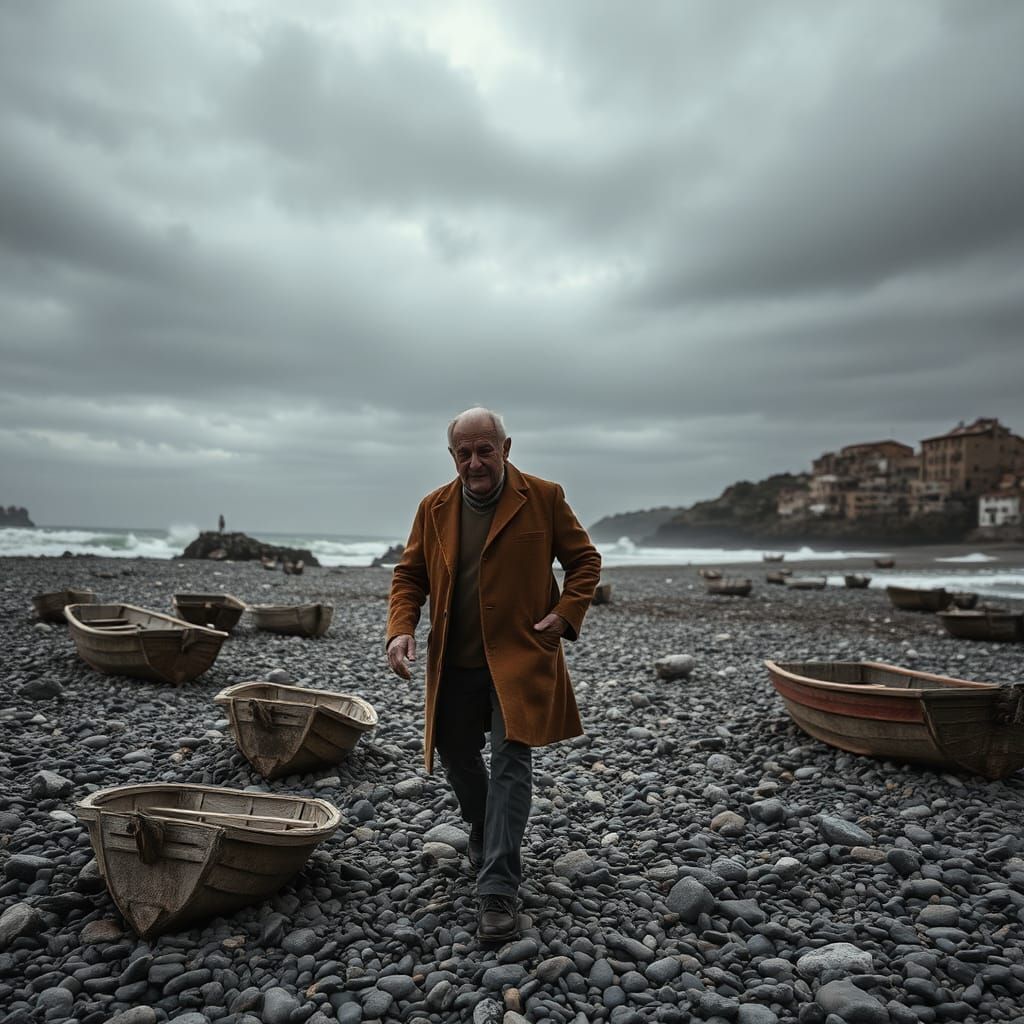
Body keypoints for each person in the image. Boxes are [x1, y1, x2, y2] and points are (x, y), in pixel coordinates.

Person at [386, 407, 601, 942]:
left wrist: (566, 613)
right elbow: (409, 574)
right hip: (454, 660)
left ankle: (498, 888)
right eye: (465, 452)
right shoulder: (433, 507)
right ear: (453, 456)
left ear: (506, 449)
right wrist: (400, 628)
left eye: (486, 450)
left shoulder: (544, 497)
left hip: (519, 657)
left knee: (510, 761)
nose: (476, 462)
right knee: (456, 756)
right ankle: (483, 828)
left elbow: (585, 562)